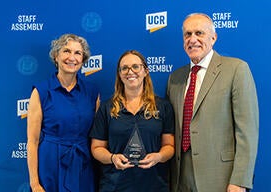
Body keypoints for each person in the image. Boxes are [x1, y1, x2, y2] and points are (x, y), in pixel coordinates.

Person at [167, 13, 259, 192]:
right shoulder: (175, 78)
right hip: (179, 177)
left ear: (213, 37)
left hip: (221, 178)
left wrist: (240, 180)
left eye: (199, 33)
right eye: (187, 34)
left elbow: (247, 132)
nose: (192, 39)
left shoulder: (236, 69)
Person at [90, 50, 175, 192]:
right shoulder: (106, 108)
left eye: (135, 67)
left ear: (145, 71)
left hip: (154, 185)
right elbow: (96, 148)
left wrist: (159, 157)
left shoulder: (163, 107)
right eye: (124, 68)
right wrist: (112, 158)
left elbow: (169, 146)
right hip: (115, 185)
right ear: (119, 74)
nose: (130, 72)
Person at [27, 33, 99, 192]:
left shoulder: (93, 93)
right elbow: (32, 141)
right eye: (66, 51)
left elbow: (98, 136)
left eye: (77, 53)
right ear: (56, 55)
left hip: (82, 164)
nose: (71, 57)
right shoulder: (41, 91)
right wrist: (35, 184)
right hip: (50, 163)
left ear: (83, 59)